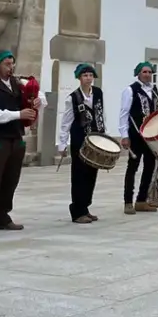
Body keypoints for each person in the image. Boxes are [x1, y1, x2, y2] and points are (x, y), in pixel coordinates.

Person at [0, 49, 46, 236]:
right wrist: (19, 114)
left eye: (12, 64)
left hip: (15, 139)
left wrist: (37, 101)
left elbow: (40, 95)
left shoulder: (17, 83)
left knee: (10, 181)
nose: (11, 68)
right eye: (7, 64)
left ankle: (2, 217)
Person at [58, 63, 106, 224]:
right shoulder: (73, 98)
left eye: (91, 75)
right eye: (85, 75)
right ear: (79, 78)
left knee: (92, 173)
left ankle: (85, 207)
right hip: (80, 140)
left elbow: (101, 114)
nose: (88, 78)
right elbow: (66, 122)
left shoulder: (98, 93)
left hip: (96, 140)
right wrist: (62, 143)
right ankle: (77, 211)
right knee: (79, 175)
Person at [118, 62, 158, 215]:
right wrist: (124, 136)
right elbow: (124, 114)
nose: (148, 74)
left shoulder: (154, 91)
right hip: (135, 135)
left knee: (149, 167)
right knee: (132, 168)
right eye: (144, 72)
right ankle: (128, 202)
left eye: (150, 72)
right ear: (138, 73)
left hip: (150, 137)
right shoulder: (130, 90)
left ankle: (141, 200)